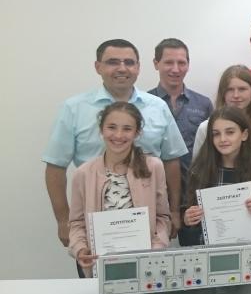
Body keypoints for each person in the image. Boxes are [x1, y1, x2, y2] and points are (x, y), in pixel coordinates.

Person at [44, 39, 186, 265]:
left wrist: (175, 212)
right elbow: (55, 166)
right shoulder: (74, 108)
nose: (122, 68)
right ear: (98, 67)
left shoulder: (158, 106)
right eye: (112, 62)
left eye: (129, 62)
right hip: (94, 232)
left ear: (138, 67)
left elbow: (171, 160)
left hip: (147, 231)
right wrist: (63, 221)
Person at [68, 102, 171, 277]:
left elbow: (162, 217)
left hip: (146, 266)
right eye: (112, 127)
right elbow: (76, 223)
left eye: (127, 129)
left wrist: (157, 248)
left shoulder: (154, 167)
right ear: (101, 129)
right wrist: (80, 248)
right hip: (100, 267)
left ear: (137, 133)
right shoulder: (83, 174)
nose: (118, 135)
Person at [194, 65, 251, 230]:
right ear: (222, 93)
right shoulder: (205, 128)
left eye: (242, 89)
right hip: (216, 219)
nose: (236, 95)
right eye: (230, 90)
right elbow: (198, 174)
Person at [181, 107, 251, 249]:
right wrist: (187, 219)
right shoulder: (198, 172)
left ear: (244, 135)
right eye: (216, 134)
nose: (222, 139)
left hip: (247, 250)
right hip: (206, 250)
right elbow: (186, 219)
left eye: (230, 132)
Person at [148, 38, 213, 210]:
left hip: (195, 195)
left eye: (181, 63)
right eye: (169, 62)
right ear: (156, 64)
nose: (176, 69)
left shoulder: (203, 104)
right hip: (153, 193)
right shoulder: (143, 105)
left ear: (188, 65)